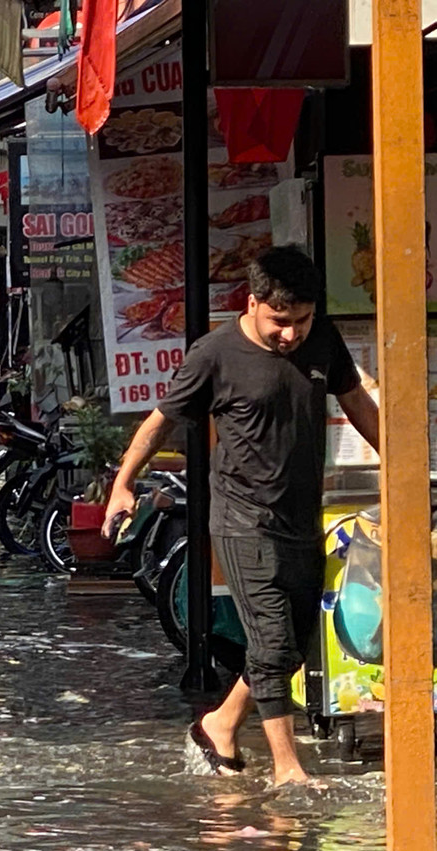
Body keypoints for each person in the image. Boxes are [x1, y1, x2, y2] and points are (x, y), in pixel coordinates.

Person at [101, 246, 378, 787]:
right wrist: (122, 484)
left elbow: (358, 404)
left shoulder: (323, 340)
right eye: (280, 321)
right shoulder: (215, 354)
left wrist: (403, 463)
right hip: (241, 518)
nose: (291, 334)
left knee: (293, 647)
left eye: (302, 321)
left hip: (302, 517)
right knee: (271, 643)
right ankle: (288, 768)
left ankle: (220, 725)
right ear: (252, 303)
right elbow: (160, 422)